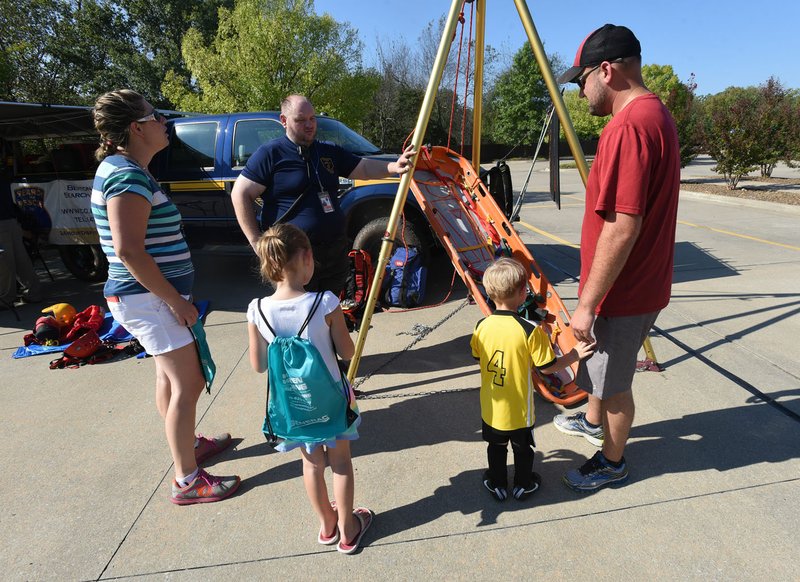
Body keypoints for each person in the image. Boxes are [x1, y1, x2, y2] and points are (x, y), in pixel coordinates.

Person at [91, 89, 240, 505]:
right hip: (149, 299)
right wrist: (176, 301)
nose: (164, 123)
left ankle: (188, 446)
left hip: (146, 298)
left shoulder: (129, 168)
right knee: (187, 383)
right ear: (136, 128)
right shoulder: (126, 175)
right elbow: (129, 250)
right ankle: (188, 479)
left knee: (168, 378)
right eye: (155, 116)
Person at [553, 24, 681, 492]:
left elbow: (623, 226)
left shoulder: (629, 126)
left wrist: (587, 304)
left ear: (606, 71)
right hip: (635, 284)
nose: (580, 91)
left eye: (581, 80)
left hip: (624, 292)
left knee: (616, 385)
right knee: (602, 372)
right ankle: (592, 423)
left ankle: (612, 460)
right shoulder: (654, 115)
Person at [247, 223, 373, 553]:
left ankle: (327, 524)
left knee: (311, 463)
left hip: (292, 404)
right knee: (341, 463)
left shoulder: (256, 309)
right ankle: (348, 529)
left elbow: (259, 365)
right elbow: (347, 352)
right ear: (306, 258)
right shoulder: (325, 302)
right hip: (331, 399)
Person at [231, 94, 416, 296]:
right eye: (301, 120)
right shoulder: (270, 154)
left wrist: (393, 166)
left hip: (334, 254)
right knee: (302, 318)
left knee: (331, 314)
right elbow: (240, 194)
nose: (309, 125)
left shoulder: (328, 151)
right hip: (292, 257)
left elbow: (362, 167)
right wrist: (256, 242)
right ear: (284, 121)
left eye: (312, 118)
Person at [470, 258, 595, 501]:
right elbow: (548, 368)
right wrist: (574, 354)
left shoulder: (481, 326)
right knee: (522, 448)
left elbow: (478, 356)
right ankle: (523, 484)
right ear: (521, 294)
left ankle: (496, 483)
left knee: (495, 447)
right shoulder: (530, 330)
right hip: (519, 410)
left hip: (491, 407)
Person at [0, 167, 43, 306]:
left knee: (6, 263)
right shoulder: (3, 175)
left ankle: (6, 299)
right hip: (11, 220)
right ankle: (33, 292)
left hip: (3, 222)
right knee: (20, 259)